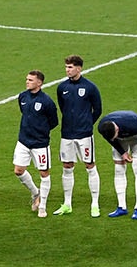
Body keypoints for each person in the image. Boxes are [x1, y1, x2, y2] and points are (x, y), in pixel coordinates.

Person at [55, 54, 103, 216]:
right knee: (67, 167)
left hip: (84, 134)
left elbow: (98, 109)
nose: (67, 70)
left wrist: (87, 123)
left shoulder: (90, 87)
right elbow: (63, 107)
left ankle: (95, 204)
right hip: (67, 133)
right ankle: (67, 203)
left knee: (90, 166)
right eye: (66, 67)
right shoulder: (62, 88)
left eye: (70, 67)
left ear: (79, 68)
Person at [13, 69, 57, 218]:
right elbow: (24, 113)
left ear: (39, 82)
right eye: (27, 79)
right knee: (18, 171)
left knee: (44, 174)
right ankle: (35, 192)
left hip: (40, 144)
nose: (27, 82)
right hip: (24, 141)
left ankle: (42, 206)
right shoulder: (22, 97)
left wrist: (40, 131)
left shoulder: (46, 101)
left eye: (30, 80)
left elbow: (54, 122)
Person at [97, 110, 137, 219]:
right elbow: (111, 139)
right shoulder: (102, 127)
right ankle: (121, 207)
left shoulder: (133, 125)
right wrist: (122, 152)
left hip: (136, 137)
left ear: (117, 129)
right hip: (120, 139)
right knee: (118, 169)